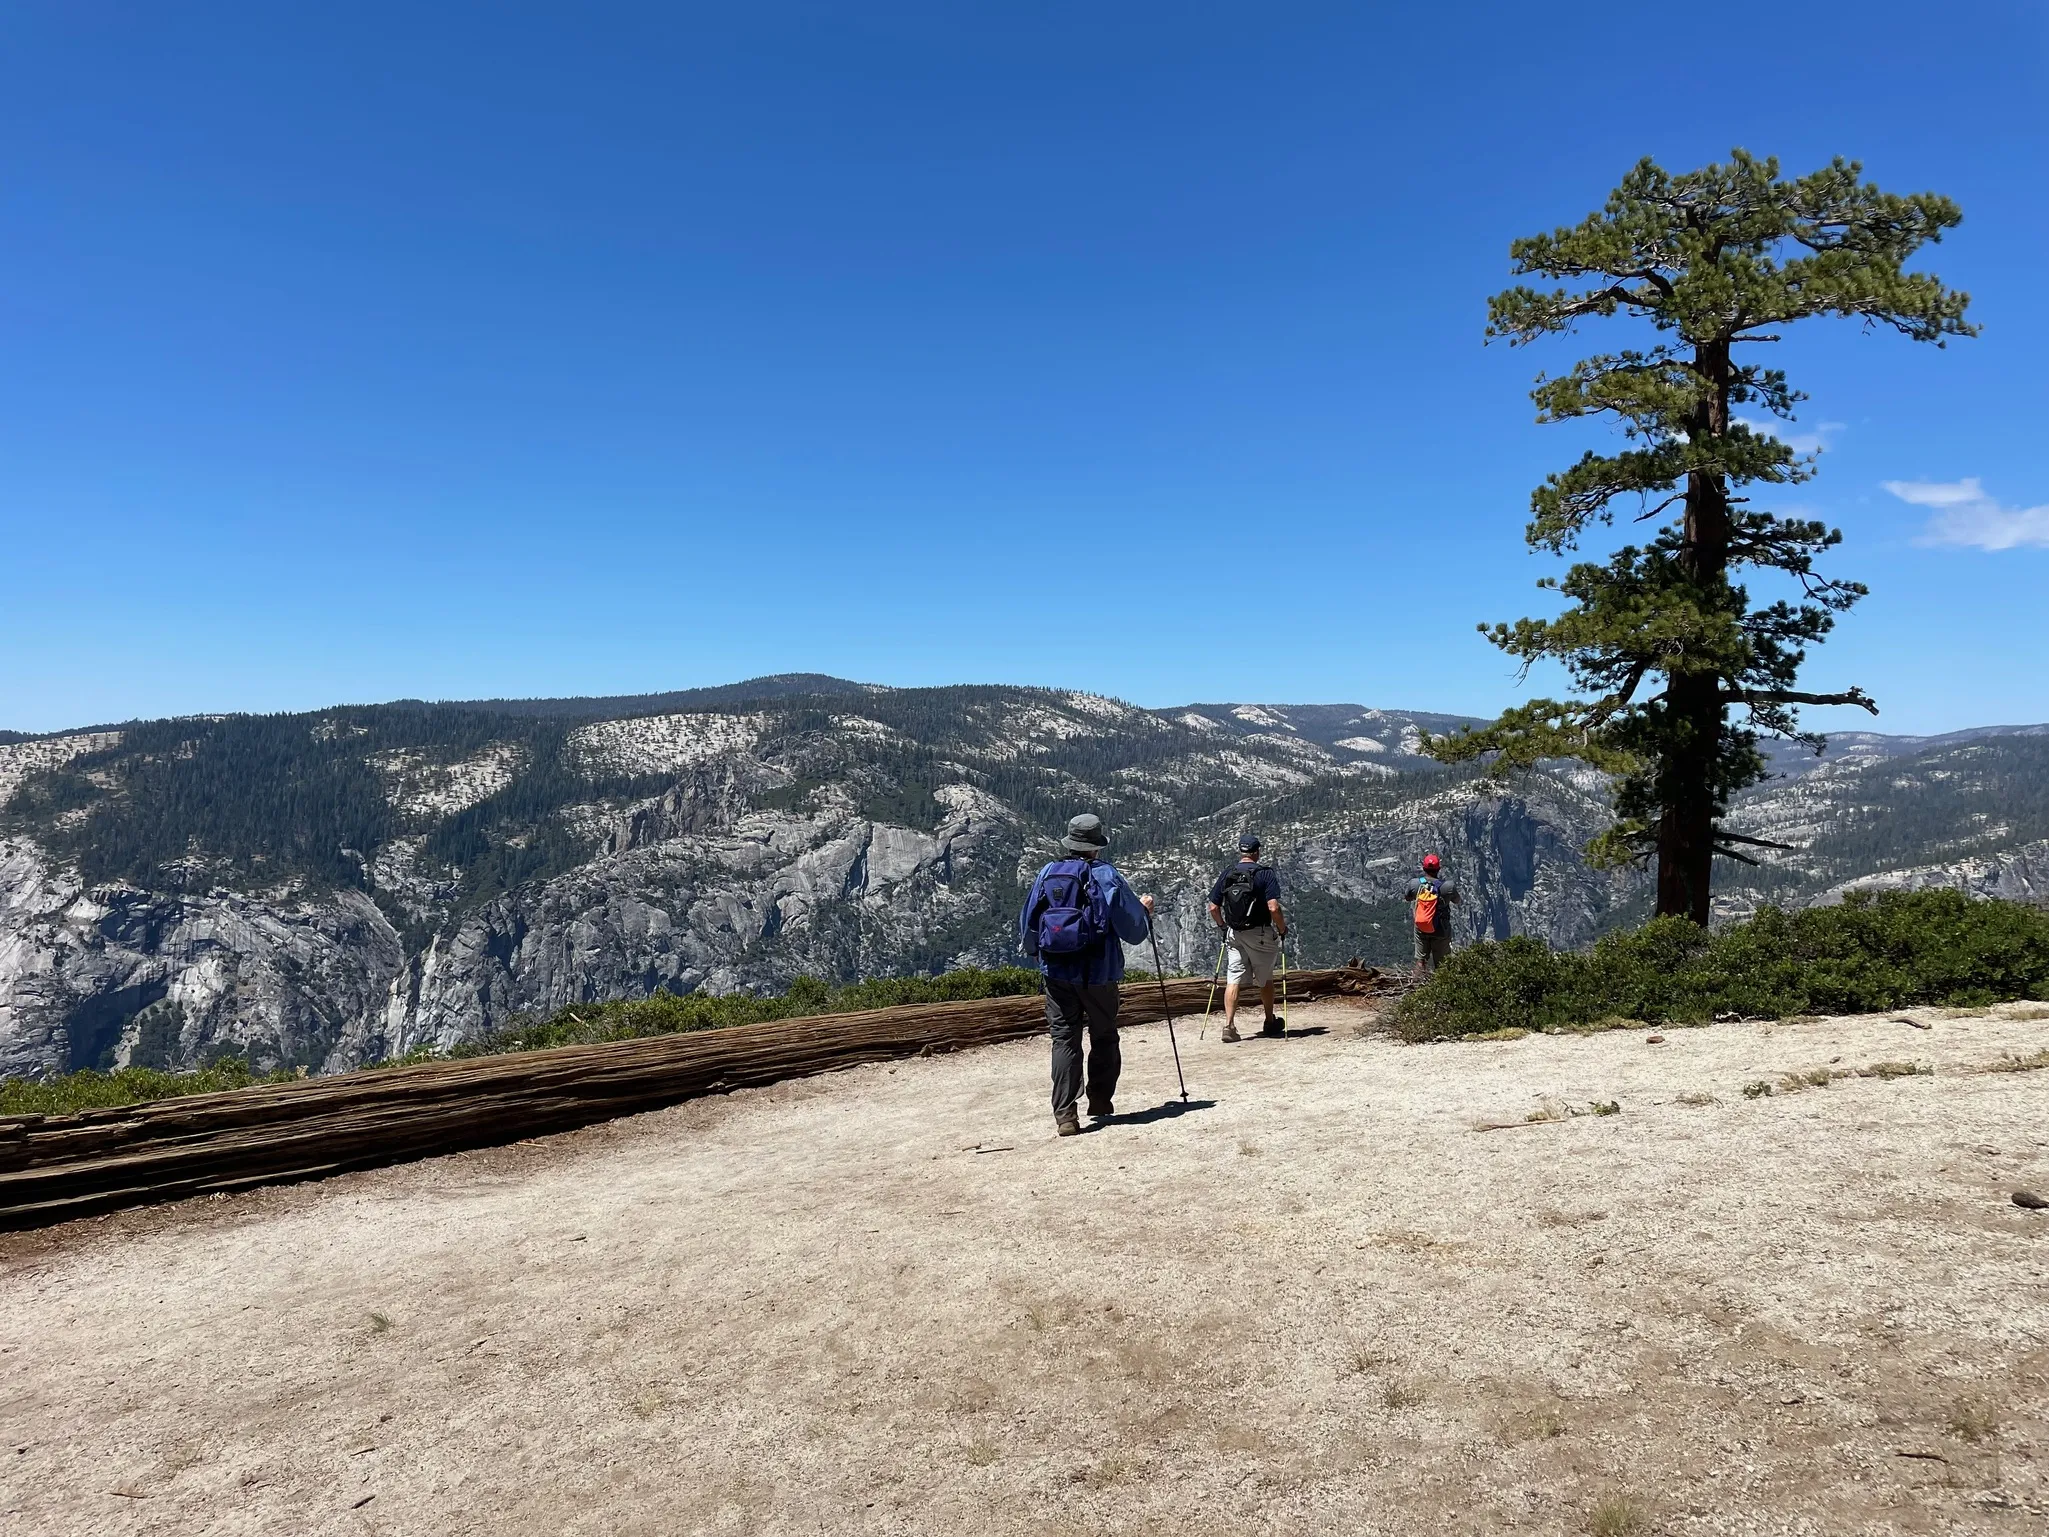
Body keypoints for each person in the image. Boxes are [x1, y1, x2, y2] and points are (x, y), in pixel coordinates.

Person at [1018, 814, 1156, 1137]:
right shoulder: (1107, 877)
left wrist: (1037, 954)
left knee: (1064, 1039)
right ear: (1096, 847)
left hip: (1056, 974)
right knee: (1104, 1035)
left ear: (1070, 843)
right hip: (1100, 973)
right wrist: (1146, 913)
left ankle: (1066, 1114)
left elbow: (1028, 925)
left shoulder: (1047, 874)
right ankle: (1100, 1099)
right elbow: (1134, 930)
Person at [1207, 834, 1287, 1043]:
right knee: (1265, 978)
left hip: (1234, 933)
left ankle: (1229, 1025)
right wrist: (1282, 928)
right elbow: (1273, 907)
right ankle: (1269, 1021)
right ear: (1257, 852)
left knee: (1233, 978)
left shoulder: (1228, 873)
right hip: (1259, 933)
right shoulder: (1264, 874)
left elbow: (1213, 907)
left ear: (1241, 853)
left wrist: (1223, 927)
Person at [1405, 853, 1460, 977]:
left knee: (1420, 960)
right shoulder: (1448, 886)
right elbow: (1457, 901)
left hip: (1421, 927)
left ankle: (1416, 988)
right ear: (1438, 869)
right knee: (1442, 964)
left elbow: (1408, 898)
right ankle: (1441, 991)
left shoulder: (1414, 884)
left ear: (1424, 868)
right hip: (1440, 929)